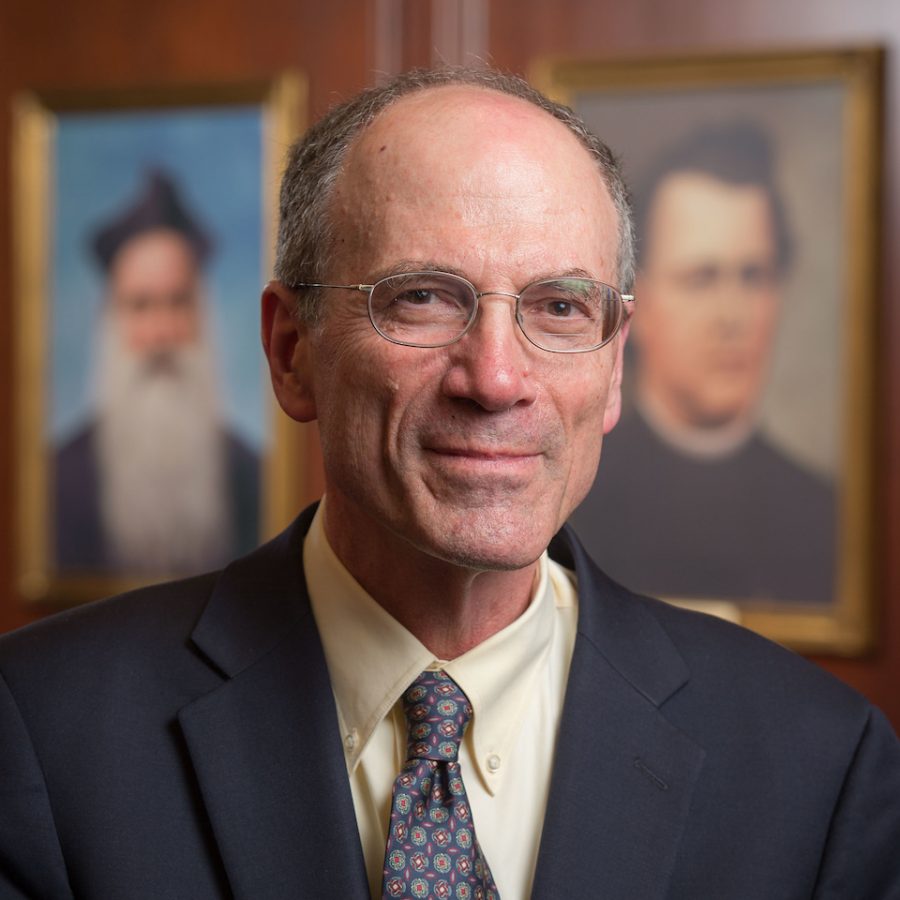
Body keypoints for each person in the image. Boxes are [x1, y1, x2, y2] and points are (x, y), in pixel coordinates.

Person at [1, 69, 898, 899]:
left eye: (558, 307)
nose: (497, 379)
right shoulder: (41, 736)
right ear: (292, 352)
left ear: (615, 369)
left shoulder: (820, 767)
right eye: (423, 298)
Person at [572, 123, 836, 604]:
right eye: (701, 278)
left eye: (753, 276)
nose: (731, 317)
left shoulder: (824, 513)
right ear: (640, 302)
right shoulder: (573, 502)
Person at [54, 169, 260, 576]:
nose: (162, 332)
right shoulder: (57, 479)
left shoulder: (252, 472)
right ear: (111, 321)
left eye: (178, 302)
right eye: (141, 305)